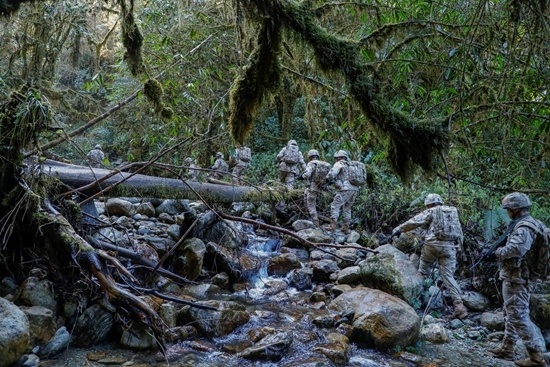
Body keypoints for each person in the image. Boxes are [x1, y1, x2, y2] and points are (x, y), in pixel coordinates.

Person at [487, 192, 547, 367]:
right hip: (520, 276)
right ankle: (507, 348)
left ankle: (536, 357)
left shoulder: (524, 228)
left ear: (515, 209)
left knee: (518, 316)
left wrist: (495, 253)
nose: (507, 212)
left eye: (508, 209)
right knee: (511, 313)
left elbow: (516, 249)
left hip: (518, 278)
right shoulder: (532, 223)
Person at [392, 193, 468, 320]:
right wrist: (460, 250)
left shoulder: (432, 211)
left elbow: (415, 221)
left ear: (430, 204)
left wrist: (399, 229)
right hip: (450, 247)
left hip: (432, 245)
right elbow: (459, 233)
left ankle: (418, 301)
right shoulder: (452, 213)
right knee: (448, 276)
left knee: (423, 270)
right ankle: (459, 307)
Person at [324, 150, 359, 234]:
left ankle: (332, 226)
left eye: (336, 158)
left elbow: (332, 174)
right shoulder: (351, 165)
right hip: (355, 189)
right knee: (347, 208)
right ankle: (345, 228)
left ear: (338, 157)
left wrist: (327, 179)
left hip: (345, 189)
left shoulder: (340, 163)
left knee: (335, 205)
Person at [298, 149, 330, 228]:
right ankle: (307, 215)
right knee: (306, 195)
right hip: (321, 187)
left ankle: (315, 222)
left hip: (313, 186)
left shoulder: (311, 163)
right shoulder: (323, 164)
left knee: (311, 204)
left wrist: (300, 177)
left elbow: (307, 175)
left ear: (309, 157)